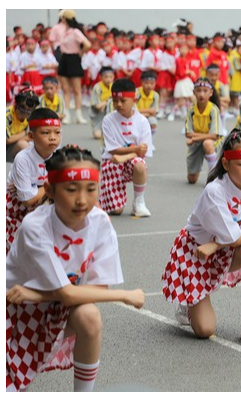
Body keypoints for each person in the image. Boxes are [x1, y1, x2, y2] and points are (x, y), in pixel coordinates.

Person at [6, 145, 145, 392]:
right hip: (13, 312)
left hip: (50, 303)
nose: (82, 200)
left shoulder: (100, 221)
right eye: (71, 190)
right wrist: (125, 295)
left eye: (91, 189)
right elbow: (69, 294)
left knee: (89, 315)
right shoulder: (35, 226)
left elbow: (96, 288)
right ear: (49, 189)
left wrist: (41, 295)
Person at [162, 129, 241, 347]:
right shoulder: (215, 191)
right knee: (205, 330)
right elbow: (236, 237)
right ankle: (188, 302)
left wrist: (215, 244)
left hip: (219, 249)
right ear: (226, 163)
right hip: (195, 254)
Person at [6, 108, 61, 254]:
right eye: (45, 132)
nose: (52, 137)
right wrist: (52, 182)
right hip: (16, 209)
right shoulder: (23, 158)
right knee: (16, 254)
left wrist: (45, 186)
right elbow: (28, 200)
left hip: (42, 202)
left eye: (57, 132)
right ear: (31, 136)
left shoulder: (60, 156)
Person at [99, 79, 153, 217]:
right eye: (115, 100)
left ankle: (138, 202)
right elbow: (112, 149)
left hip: (128, 159)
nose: (118, 104)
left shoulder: (142, 121)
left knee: (140, 165)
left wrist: (126, 156)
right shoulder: (107, 120)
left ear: (134, 99)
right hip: (112, 161)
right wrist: (135, 150)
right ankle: (106, 200)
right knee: (116, 211)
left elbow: (143, 152)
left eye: (123, 100)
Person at [57, 10, 91, 125]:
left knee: (77, 90)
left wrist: (80, 54)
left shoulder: (75, 31)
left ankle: (78, 114)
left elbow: (87, 44)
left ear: (65, 19)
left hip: (74, 59)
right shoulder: (63, 31)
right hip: (64, 59)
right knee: (66, 89)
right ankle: (66, 115)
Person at [185, 78, 221, 185]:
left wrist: (195, 138)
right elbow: (188, 133)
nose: (202, 94)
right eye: (199, 90)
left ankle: (213, 176)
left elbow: (214, 135)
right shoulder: (191, 110)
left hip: (211, 142)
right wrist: (197, 137)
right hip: (196, 143)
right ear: (194, 92)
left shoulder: (213, 110)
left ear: (211, 93)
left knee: (208, 143)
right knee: (192, 179)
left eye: (205, 91)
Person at [6, 88, 39, 163]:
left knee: (37, 145)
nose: (28, 109)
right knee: (24, 145)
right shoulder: (7, 115)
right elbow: (7, 140)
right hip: (8, 146)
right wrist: (23, 133)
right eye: (24, 107)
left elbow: (31, 137)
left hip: (14, 144)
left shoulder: (30, 116)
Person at [89, 66, 115, 140]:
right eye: (106, 77)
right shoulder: (97, 88)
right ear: (101, 77)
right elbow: (97, 106)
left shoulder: (114, 86)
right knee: (98, 135)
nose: (108, 79)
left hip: (111, 113)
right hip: (99, 115)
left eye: (110, 77)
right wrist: (108, 101)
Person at [136, 70, 160, 138]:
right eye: (146, 83)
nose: (149, 86)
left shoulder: (155, 95)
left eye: (152, 83)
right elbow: (133, 110)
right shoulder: (136, 93)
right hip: (135, 115)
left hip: (147, 115)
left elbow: (155, 112)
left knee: (153, 122)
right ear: (141, 82)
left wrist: (146, 113)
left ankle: (150, 140)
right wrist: (149, 111)